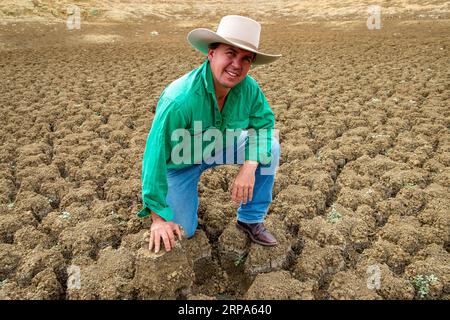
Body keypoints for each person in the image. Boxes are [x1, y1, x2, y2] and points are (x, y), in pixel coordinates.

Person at [137, 15, 282, 253]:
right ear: (211, 53)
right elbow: (154, 156)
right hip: (181, 161)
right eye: (230, 54)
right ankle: (167, 205)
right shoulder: (180, 99)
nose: (237, 64)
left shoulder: (249, 89)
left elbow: (264, 125)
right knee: (182, 231)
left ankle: (250, 219)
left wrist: (249, 165)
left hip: (220, 146)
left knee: (271, 148)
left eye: (246, 59)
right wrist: (158, 218)